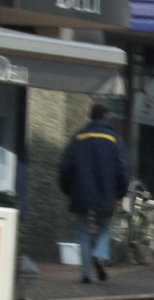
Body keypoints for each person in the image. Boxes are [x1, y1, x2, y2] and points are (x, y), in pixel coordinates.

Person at [58, 103, 130, 283]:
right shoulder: (114, 139)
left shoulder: (79, 136)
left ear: (90, 117)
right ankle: (99, 254)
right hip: (106, 192)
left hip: (81, 192)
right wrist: (120, 194)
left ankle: (85, 273)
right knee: (105, 227)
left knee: (82, 231)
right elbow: (122, 169)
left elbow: (66, 165)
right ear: (105, 117)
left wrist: (66, 189)